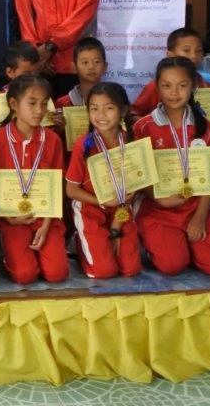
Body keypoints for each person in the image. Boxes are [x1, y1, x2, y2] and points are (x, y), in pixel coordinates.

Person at [133, 57, 210, 276]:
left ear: (193, 85)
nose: (174, 93)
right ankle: (154, 244)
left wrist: (200, 217)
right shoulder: (143, 127)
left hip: (196, 206)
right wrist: (158, 198)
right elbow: (139, 176)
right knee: (172, 265)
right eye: (166, 85)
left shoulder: (205, 128)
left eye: (182, 85)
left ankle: (191, 246)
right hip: (158, 209)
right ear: (157, 86)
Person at [0, 75, 69, 284]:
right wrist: (5, 217)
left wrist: (46, 224)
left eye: (44, 103)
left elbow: (56, 186)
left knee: (57, 274)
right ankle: (9, 255)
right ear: (13, 104)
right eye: (32, 103)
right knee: (25, 275)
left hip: (45, 216)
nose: (39, 110)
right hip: (11, 219)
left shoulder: (53, 140)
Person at [65, 82, 142, 279]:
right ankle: (80, 241)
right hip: (90, 209)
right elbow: (71, 191)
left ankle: (102, 241)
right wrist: (102, 201)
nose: (101, 115)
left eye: (109, 108)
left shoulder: (132, 143)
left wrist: (115, 230)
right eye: (94, 109)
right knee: (103, 271)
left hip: (122, 210)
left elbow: (133, 191)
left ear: (123, 110)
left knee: (130, 270)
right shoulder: (84, 145)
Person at [131, 28, 210, 118]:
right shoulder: (155, 87)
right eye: (186, 50)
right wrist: (152, 125)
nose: (193, 56)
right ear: (170, 55)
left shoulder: (208, 88)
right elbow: (133, 114)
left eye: (198, 50)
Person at [56, 37, 107, 108]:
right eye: (85, 62)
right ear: (74, 68)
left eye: (97, 62)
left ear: (105, 67)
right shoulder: (62, 104)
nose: (91, 67)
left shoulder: (114, 100)